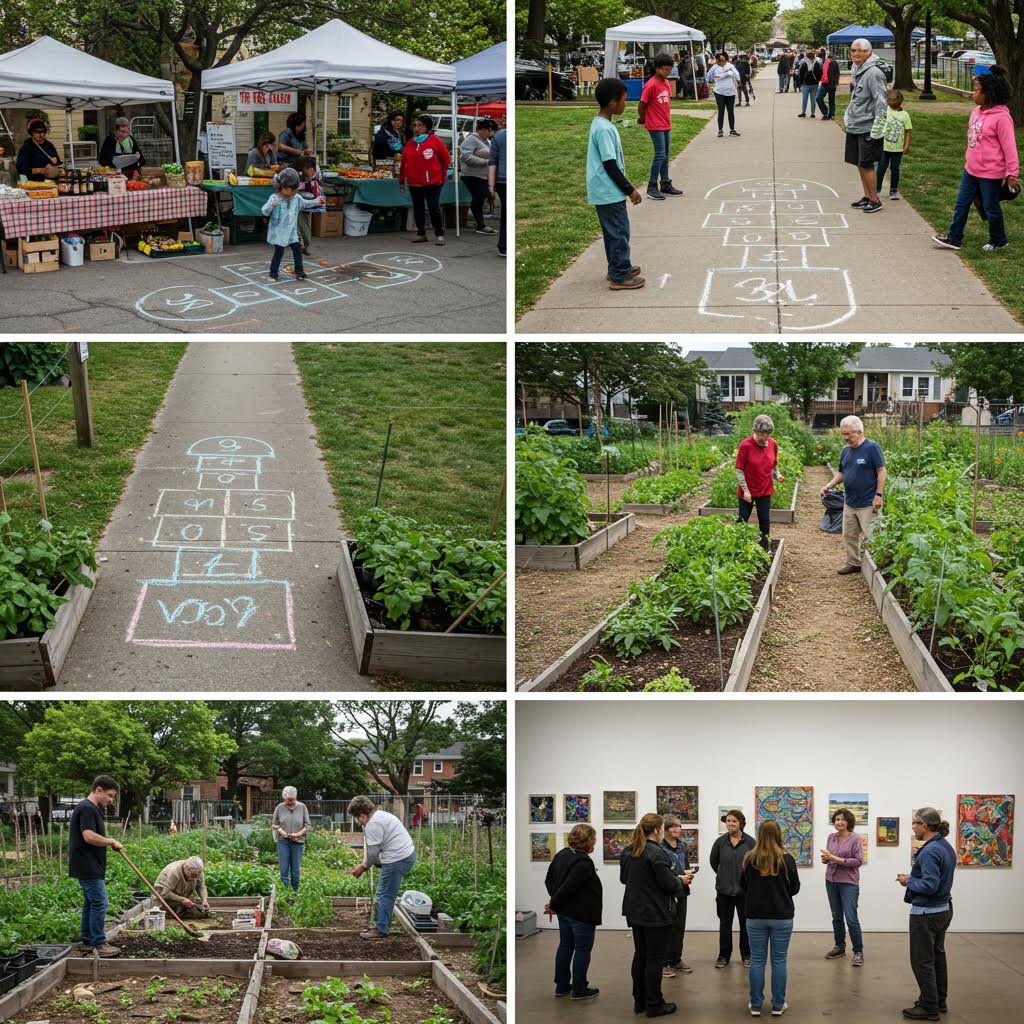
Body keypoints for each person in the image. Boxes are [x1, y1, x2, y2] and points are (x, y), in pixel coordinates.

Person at [932, 66, 1019, 254]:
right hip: (971, 169)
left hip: (991, 173)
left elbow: (1009, 148)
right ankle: (954, 238)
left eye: (976, 89)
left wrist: (1012, 174)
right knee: (961, 203)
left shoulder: (1002, 118)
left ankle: (999, 240)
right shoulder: (976, 112)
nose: (973, 93)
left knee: (990, 207)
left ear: (988, 93)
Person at [620, 812, 683, 1018]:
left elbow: (624, 879)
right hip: (655, 912)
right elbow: (669, 884)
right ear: (657, 830)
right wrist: (681, 881)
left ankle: (640, 1001)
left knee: (641, 956)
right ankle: (654, 1004)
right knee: (655, 959)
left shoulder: (629, 851)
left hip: (635, 910)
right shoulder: (657, 853)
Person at [897, 808, 956, 1021]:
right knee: (937, 957)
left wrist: (908, 881)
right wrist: (913, 877)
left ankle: (929, 1006)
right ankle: (938, 1000)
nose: (913, 827)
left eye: (915, 823)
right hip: (943, 909)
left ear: (925, 825)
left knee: (922, 960)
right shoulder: (945, 846)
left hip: (926, 913)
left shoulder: (930, 850)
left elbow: (930, 885)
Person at [587, 78, 644, 291]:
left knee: (615, 231)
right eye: (623, 100)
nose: (625, 104)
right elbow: (610, 165)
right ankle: (619, 276)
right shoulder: (603, 129)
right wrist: (630, 190)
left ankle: (618, 267)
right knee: (619, 232)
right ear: (612, 103)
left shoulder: (603, 124)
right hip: (608, 190)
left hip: (607, 191)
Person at [740, 820, 801, 1017]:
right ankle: (778, 1004)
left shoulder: (750, 859)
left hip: (755, 916)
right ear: (778, 835)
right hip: (781, 916)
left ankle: (756, 1005)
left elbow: (744, 886)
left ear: (759, 835)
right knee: (779, 960)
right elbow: (795, 888)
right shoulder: (787, 859)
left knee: (757, 960)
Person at [821, 415, 886, 574]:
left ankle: (878, 568)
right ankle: (854, 563)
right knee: (849, 535)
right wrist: (828, 485)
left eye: (849, 434)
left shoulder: (872, 448)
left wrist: (879, 495)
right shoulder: (846, 451)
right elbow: (842, 473)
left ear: (860, 431)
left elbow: (881, 471)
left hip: (868, 502)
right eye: (844, 434)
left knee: (873, 536)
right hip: (849, 502)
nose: (846, 437)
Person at [544, 822, 602, 1001]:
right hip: (581, 914)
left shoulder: (562, 854)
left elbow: (549, 881)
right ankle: (578, 989)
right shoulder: (583, 861)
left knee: (565, 946)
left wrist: (556, 902)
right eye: (593, 839)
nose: (595, 842)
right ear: (587, 840)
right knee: (582, 949)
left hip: (565, 913)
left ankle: (561, 986)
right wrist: (554, 903)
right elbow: (569, 887)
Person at [69, 775, 124, 957]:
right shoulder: (87, 808)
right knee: (100, 902)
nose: (110, 800)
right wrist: (111, 841)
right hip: (87, 865)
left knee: (91, 903)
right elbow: (88, 836)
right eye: (110, 795)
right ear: (98, 790)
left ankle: (87, 940)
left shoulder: (91, 809)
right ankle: (99, 943)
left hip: (89, 865)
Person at [348, 796, 417, 938]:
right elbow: (371, 849)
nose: (358, 821)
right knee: (387, 891)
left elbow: (373, 854)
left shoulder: (374, 824)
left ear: (363, 814)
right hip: (403, 855)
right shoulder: (379, 816)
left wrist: (363, 867)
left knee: (384, 893)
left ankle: (380, 929)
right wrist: (366, 862)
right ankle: (382, 924)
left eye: (358, 817)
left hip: (398, 858)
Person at [844, 39, 889, 214]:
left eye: (860, 51)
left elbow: (881, 101)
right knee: (859, 163)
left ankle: (875, 199)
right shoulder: (857, 69)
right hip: (855, 124)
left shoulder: (874, 73)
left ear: (868, 52)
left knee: (866, 163)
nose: (856, 54)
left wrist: (877, 128)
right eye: (853, 50)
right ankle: (867, 196)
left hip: (868, 126)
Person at [710, 809, 755, 969]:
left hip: (745, 892)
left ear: (740, 823)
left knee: (746, 925)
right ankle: (723, 956)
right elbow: (714, 862)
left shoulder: (751, 842)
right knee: (725, 924)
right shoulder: (720, 842)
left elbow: (754, 865)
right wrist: (725, 875)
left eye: (733, 821)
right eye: (728, 821)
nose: (730, 824)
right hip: (724, 891)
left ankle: (747, 955)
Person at [260, 168, 324, 282]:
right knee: (279, 253)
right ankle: (273, 273)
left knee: (297, 250)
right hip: (279, 232)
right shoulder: (274, 198)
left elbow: (306, 204)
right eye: (286, 188)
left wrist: (317, 201)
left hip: (292, 231)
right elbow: (264, 211)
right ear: (280, 186)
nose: (289, 192)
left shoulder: (296, 198)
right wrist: (272, 206)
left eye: (292, 189)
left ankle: (299, 271)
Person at [821, 809, 864, 966]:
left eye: (842, 820)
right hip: (831, 880)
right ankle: (839, 947)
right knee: (836, 917)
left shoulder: (855, 838)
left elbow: (858, 861)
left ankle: (858, 951)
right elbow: (829, 858)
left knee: (851, 918)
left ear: (848, 822)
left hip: (848, 883)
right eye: (837, 819)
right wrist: (826, 859)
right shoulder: (831, 837)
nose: (839, 822)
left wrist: (835, 858)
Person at [736, 414, 785, 553]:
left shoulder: (772, 444)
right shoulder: (745, 445)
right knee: (742, 519)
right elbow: (739, 470)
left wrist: (778, 475)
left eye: (768, 434)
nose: (765, 438)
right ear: (755, 431)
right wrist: (745, 490)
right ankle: (738, 547)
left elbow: (773, 465)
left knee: (764, 520)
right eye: (763, 434)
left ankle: (764, 547)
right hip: (748, 491)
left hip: (765, 489)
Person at [400, 114, 450, 247]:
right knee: (418, 208)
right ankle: (421, 233)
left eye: (420, 125)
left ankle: (439, 234)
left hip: (432, 182)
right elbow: (403, 162)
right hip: (414, 182)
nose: (417, 128)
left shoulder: (434, 140)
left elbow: (446, 159)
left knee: (434, 208)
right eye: (415, 125)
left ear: (427, 127)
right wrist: (401, 180)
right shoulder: (411, 142)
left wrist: (441, 175)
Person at [637, 53, 682, 201]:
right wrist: (642, 118)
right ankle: (652, 186)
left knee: (665, 155)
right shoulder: (651, 84)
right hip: (654, 124)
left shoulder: (666, 83)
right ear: (657, 69)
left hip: (665, 123)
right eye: (664, 69)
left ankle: (665, 183)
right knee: (660, 154)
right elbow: (642, 104)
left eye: (669, 69)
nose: (666, 72)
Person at [660, 815, 695, 975]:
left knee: (679, 927)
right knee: (667, 927)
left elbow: (683, 866)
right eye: (673, 826)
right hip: (667, 892)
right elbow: (662, 872)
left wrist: (688, 874)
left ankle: (676, 960)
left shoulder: (681, 846)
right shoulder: (660, 847)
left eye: (679, 826)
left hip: (681, 891)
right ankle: (664, 962)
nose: (677, 829)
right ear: (665, 829)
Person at [460, 118, 498, 234]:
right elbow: (466, 157)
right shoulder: (471, 139)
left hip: (482, 176)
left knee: (480, 198)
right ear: (482, 129)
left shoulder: (487, 141)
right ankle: (480, 225)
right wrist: (486, 162)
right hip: (472, 175)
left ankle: (479, 222)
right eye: (490, 130)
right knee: (479, 198)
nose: (491, 133)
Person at [272, 786, 312, 891]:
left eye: (292, 800)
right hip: (283, 842)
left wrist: (298, 834)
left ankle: (295, 892)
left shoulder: (302, 807)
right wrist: (280, 830)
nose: (289, 802)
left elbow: (308, 826)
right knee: (284, 868)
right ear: (283, 798)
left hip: (297, 842)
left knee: (295, 870)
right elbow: (274, 825)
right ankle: (285, 893)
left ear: (295, 797)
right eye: (287, 800)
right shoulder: (279, 808)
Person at [876, 89, 913, 201]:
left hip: (897, 149)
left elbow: (908, 131)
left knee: (895, 169)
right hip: (884, 147)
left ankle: (893, 190)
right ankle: (876, 189)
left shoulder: (904, 115)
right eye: (889, 99)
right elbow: (878, 125)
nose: (891, 102)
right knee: (881, 168)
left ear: (900, 101)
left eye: (894, 100)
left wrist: (906, 145)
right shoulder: (885, 111)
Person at [15, 118, 63, 182]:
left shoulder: (49, 145)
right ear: (32, 133)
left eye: (43, 131)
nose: (41, 134)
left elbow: (59, 164)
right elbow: (21, 169)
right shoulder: (26, 148)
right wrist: (41, 170)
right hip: (35, 183)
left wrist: (56, 163)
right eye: (37, 132)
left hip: (52, 183)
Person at [707, 52, 742, 138]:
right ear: (717, 60)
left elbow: (737, 75)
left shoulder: (730, 66)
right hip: (719, 92)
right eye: (719, 60)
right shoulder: (714, 68)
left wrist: (736, 78)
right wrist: (722, 75)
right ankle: (720, 130)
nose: (722, 62)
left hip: (730, 92)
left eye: (724, 60)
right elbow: (709, 77)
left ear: (726, 59)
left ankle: (732, 130)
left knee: (730, 111)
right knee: (721, 110)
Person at [294, 155, 323, 255]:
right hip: (297, 204)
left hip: (308, 205)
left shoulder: (314, 176)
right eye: (311, 170)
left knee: (305, 225)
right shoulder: (296, 176)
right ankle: (301, 245)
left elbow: (317, 188)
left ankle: (304, 245)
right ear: (305, 168)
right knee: (298, 226)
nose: (313, 172)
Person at [487, 125, 507, 257]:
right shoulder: (500, 136)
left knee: (505, 214)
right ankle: (503, 245)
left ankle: (503, 245)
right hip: (504, 179)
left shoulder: (499, 136)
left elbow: (492, 162)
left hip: (502, 180)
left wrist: (491, 185)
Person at [815, 49, 840, 120]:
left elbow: (837, 73)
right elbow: (821, 72)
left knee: (831, 100)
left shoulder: (834, 63)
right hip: (824, 83)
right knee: (818, 98)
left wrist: (835, 82)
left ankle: (831, 114)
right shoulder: (824, 62)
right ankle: (825, 112)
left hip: (831, 84)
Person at [796, 52, 818, 118]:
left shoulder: (804, 64)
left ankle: (803, 112)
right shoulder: (816, 64)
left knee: (804, 99)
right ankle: (812, 113)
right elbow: (820, 72)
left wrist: (800, 83)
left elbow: (801, 74)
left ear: (807, 57)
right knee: (813, 100)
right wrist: (818, 80)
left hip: (805, 84)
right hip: (814, 84)